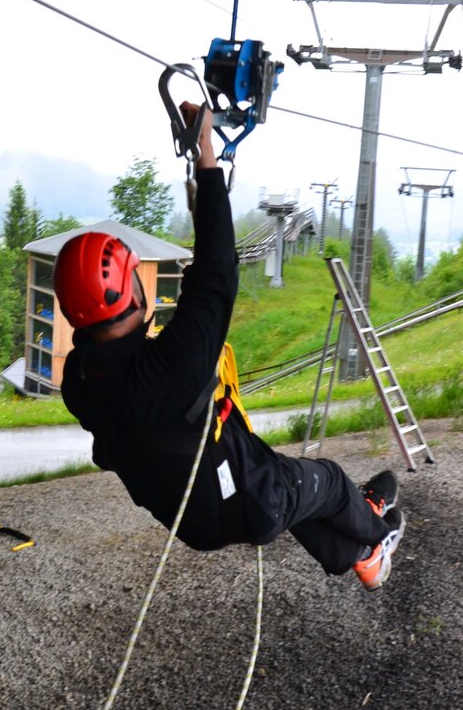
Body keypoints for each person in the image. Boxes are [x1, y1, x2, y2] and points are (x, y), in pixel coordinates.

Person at [53, 102, 405, 591]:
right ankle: (376, 538)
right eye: (136, 278)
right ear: (128, 296)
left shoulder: (81, 381)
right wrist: (206, 156)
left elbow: (202, 297)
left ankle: (350, 554)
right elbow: (217, 272)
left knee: (291, 486)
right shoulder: (171, 368)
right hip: (247, 500)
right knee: (327, 481)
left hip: (192, 519)